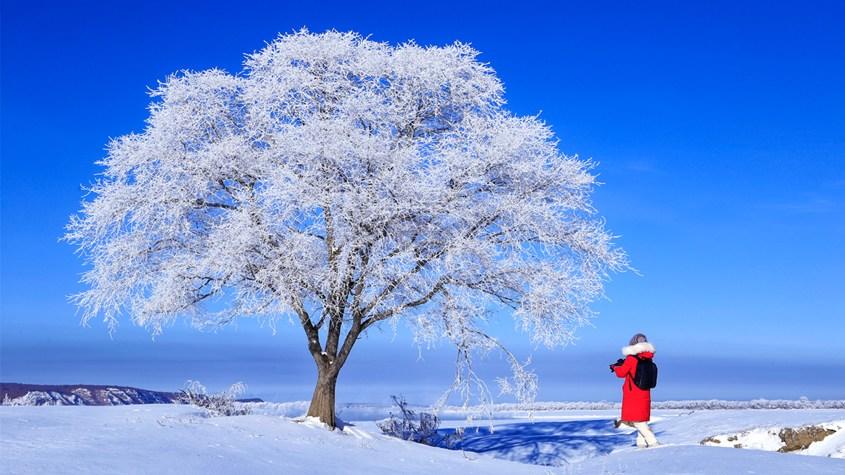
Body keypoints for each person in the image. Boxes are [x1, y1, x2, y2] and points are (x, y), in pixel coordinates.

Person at [610, 333, 659, 447]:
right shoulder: (648, 359)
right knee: (641, 419)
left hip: (633, 394)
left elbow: (621, 373)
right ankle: (640, 444)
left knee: (637, 421)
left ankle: (653, 442)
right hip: (645, 392)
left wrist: (615, 367)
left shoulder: (632, 358)